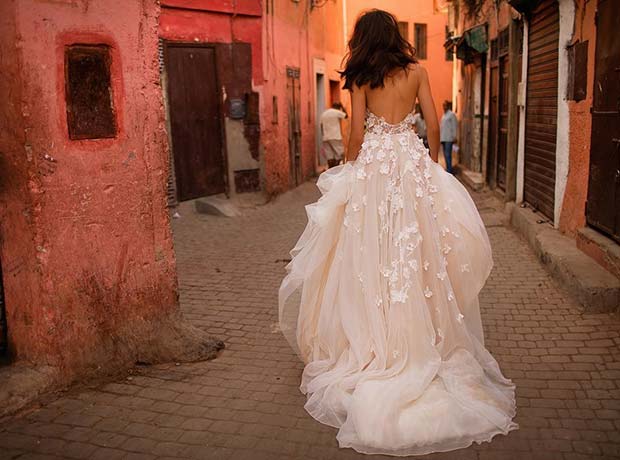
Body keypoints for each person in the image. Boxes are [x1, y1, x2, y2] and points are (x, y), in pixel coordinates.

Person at [279, 9, 517, 457]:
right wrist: (430, 164)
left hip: (374, 167)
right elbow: (431, 122)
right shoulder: (417, 71)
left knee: (371, 252)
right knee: (417, 247)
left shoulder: (363, 77)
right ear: (396, 36)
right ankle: (421, 335)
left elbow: (354, 131)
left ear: (364, 39)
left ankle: (376, 340)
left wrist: (351, 169)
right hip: (409, 164)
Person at [320, 102, 348, 168]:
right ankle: (336, 170)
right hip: (335, 136)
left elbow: (321, 126)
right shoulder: (337, 112)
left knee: (330, 157)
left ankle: (330, 171)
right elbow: (346, 116)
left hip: (326, 137)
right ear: (339, 108)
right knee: (340, 154)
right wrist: (343, 108)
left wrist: (323, 135)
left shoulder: (324, 113)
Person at [440, 100, 458, 174]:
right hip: (443, 138)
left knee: (448, 154)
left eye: (445, 105)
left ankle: (449, 170)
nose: (444, 107)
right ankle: (448, 168)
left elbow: (454, 126)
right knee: (445, 154)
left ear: (448, 106)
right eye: (443, 105)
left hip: (449, 138)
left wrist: (454, 136)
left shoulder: (451, 114)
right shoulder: (444, 115)